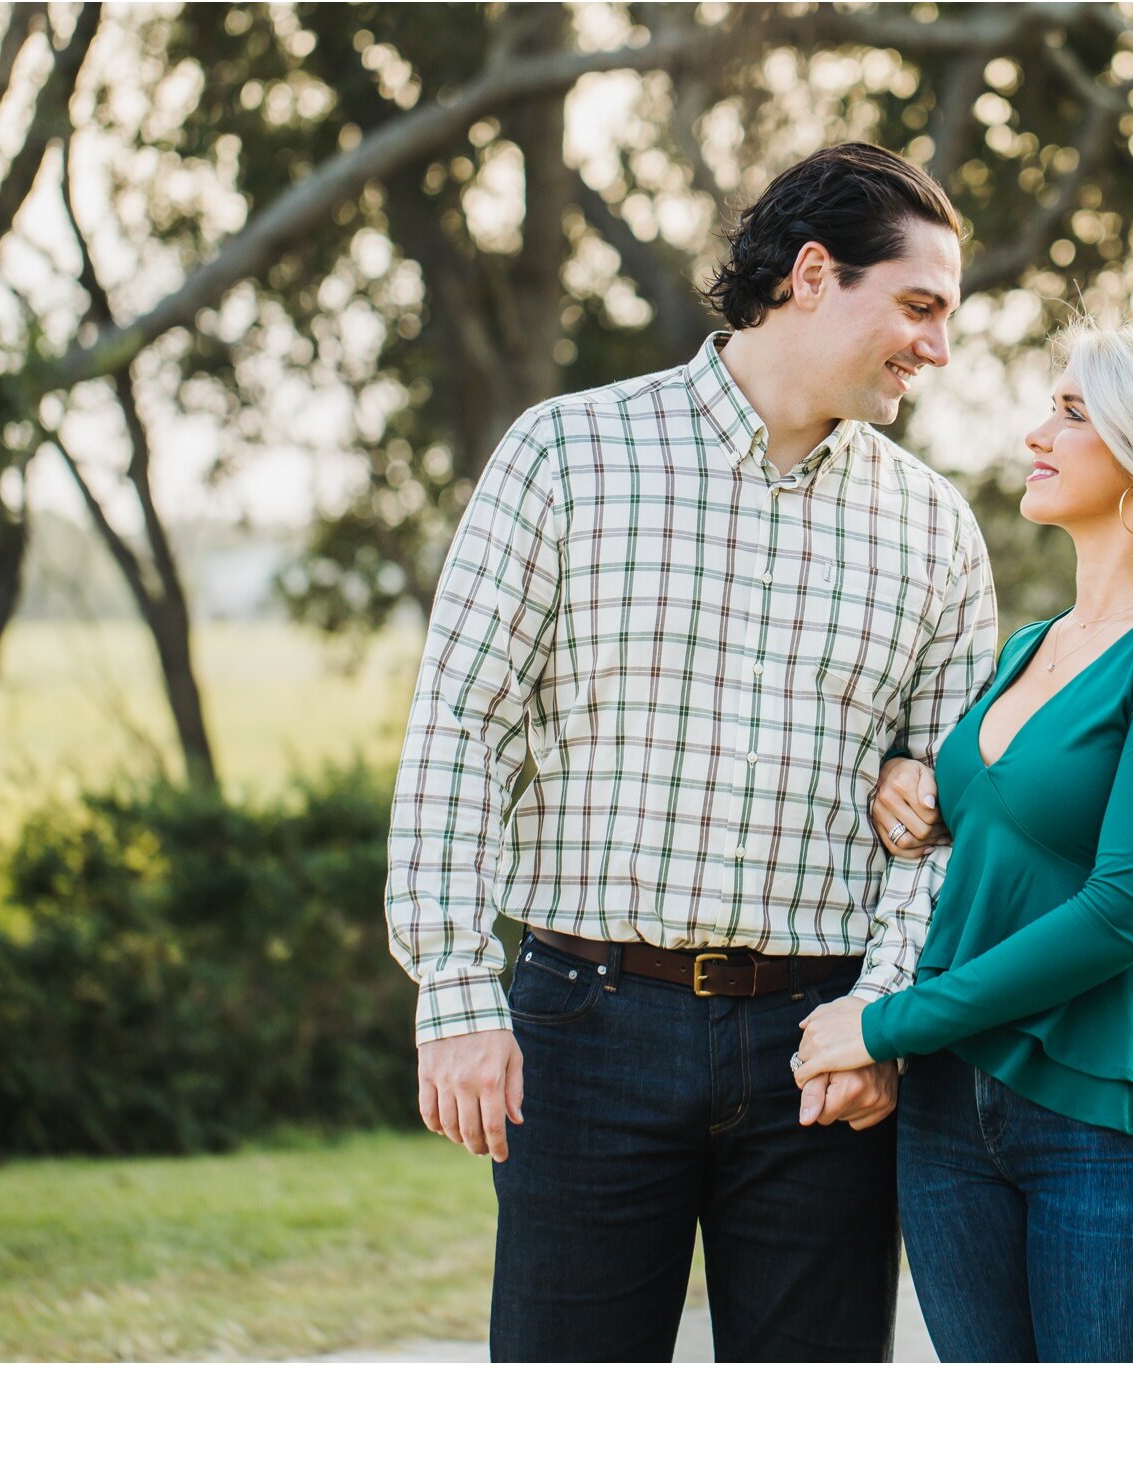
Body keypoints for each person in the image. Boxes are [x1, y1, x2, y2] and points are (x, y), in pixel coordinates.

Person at [385, 143, 1000, 1362]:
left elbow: (948, 816)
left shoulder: (932, 529)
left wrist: (881, 1014)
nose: (937, 348)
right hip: (584, 1024)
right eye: (918, 307)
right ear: (813, 275)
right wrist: (454, 994)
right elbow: (461, 729)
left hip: (818, 1049)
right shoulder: (566, 455)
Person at [792, 319, 1133, 1363]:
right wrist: (913, 778)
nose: (1035, 432)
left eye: (1071, 413)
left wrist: (886, 1024)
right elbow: (985, 828)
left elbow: (1118, 912)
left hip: (1111, 1119)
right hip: (948, 1114)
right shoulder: (1032, 645)